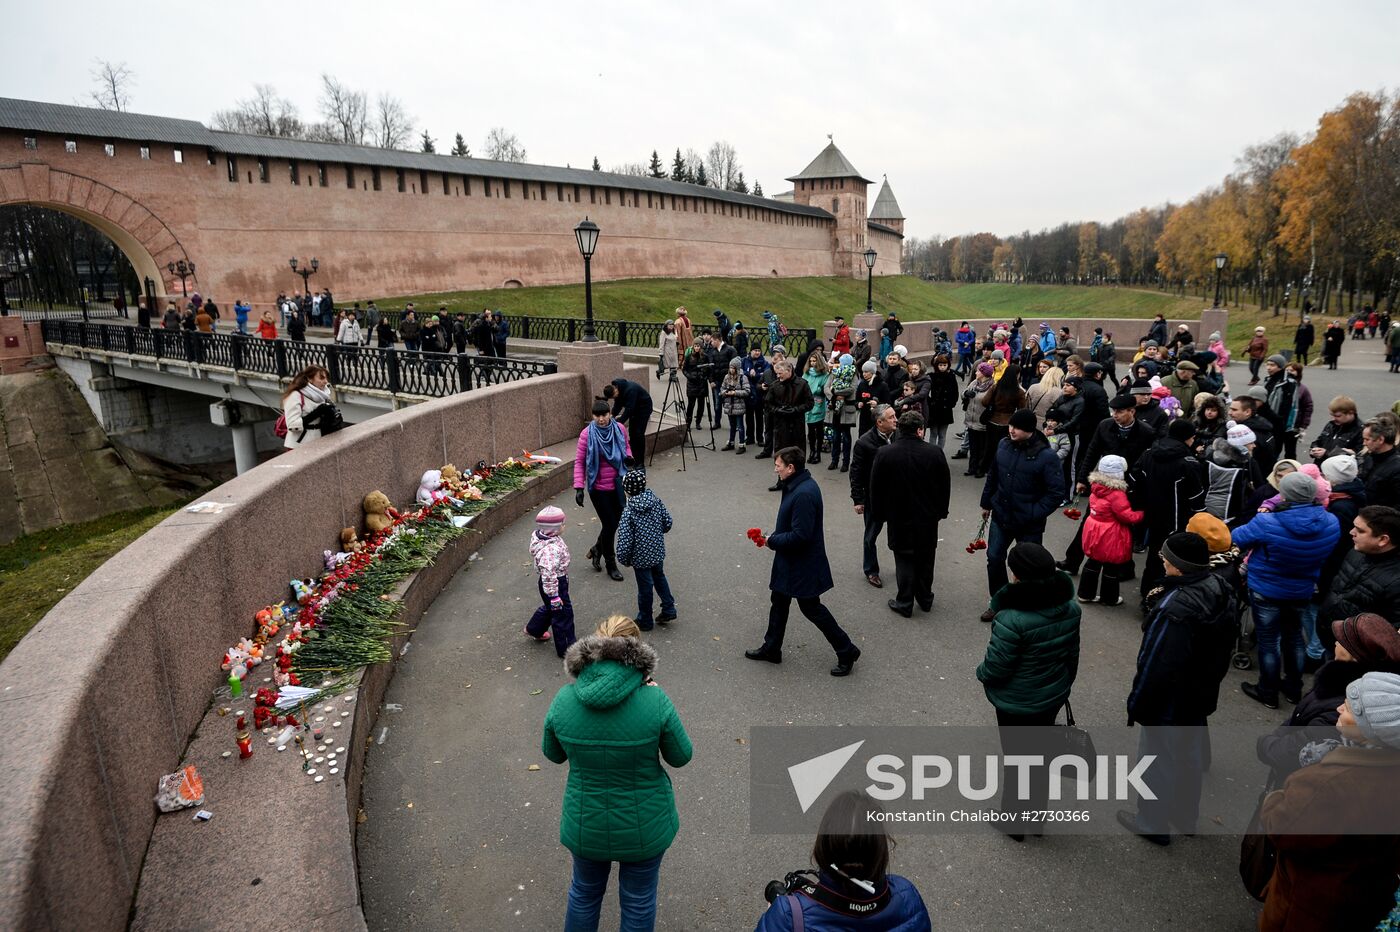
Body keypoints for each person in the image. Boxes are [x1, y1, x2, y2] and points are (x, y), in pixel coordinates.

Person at [542, 616, 692, 932]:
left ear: (592, 650)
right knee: (638, 900)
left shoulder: (564, 699)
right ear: (637, 652)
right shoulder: (655, 699)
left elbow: (552, 754)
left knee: (583, 893)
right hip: (646, 825)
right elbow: (680, 757)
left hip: (586, 823)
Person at [1118, 531, 1237, 847]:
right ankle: (1186, 817)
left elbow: (1157, 663)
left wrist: (1138, 704)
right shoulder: (1219, 587)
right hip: (1200, 693)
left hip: (1170, 700)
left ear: (1178, 565)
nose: (1162, 561)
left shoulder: (1177, 607)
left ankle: (1152, 822)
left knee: (1156, 761)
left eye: (1165, 558)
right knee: (1188, 758)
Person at [1257, 672, 1400, 931]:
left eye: (1348, 708)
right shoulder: (1390, 771)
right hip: (1360, 897)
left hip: (1310, 903)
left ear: (1369, 729)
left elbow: (1281, 826)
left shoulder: (1330, 782)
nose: (1338, 708)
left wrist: (1277, 796)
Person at [976, 542, 1080, 839]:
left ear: (1017, 575)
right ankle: (1034, 818)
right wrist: (1062, 684)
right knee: (1039, 757)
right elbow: (1072, 654)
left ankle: (1014, 822)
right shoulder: (1071, 608)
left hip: (1016, 701)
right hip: (1051, 695)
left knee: (1017, 760)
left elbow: (996, 667)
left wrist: (981, 674)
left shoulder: (1011, 618)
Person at [745, 447, 861, 676]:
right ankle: (772, 648)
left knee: (811, 608)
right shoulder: (797, 485)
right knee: (779, 600)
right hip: (792, 560)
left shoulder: (804, 494)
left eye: (778, 465)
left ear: (791, 467)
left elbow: (801, 535)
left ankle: (846, 649)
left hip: (802, 563)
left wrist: (771, 540)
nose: (775, 469)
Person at [1233, 473, 1341, 709]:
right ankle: (1293, 689)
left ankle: (1267, 691)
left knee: (1269, 641)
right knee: (1294, 638)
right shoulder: (1331, 522)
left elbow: (1236, 538)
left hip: (1266, 588)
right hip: (1301, 589)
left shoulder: (1268, 522)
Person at [753, 790, 932, 931]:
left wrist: (776, 916)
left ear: (822, 848)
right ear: (880, 852)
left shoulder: (789, 916)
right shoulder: (907, 897)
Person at [1256, 613, 1400, 782]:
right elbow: (1301, 715)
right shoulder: (1334, 678)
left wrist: (1267, 742)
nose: (1336, 641)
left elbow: (1290, 753)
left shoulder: (1347, 705)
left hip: (1294, 783)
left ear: (1354, 654)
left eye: (1343, 640)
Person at [979, 409, 1065, 619]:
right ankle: (999, 601)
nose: (1011, 430)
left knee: (1028, 567)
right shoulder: (1003, 445)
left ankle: (1025, 606)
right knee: (994, 557)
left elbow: (1055, 493)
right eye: (1010, 426)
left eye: (1016, 427)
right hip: (1001, 514)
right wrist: (986, 503)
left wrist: (1034, 512)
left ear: (1028, 430)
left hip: (1029, 523)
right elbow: (993, 475)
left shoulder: (1047, 456)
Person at [868, 412, 950, 617]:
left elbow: (875, 488)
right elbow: (944, 485)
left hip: (899, 517)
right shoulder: (934, 453)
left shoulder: (885, 453)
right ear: (920, 430)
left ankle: (904, 601)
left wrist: (879, 514)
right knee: (926, 558)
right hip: (927, 518)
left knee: (904, 559)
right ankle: (925, 598)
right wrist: (941, 511)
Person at [1133, 419, 1207, 596]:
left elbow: (1135, 479)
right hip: (1176, 521)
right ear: (1188, 438)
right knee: (1171, 561)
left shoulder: (1149, 453)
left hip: (1150, 516)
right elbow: (1196, 496)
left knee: (1154, 556)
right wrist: (1200, 518)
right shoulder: (1188, 462)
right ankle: (1161, 597)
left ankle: (1147, 593)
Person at [1317, 506, 1400, 647]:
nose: (1351, 532)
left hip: (1356, 656)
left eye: (1360, 530)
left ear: (1383, 540)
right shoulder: (1357, 551)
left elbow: (1391, 635)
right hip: (1332, 639)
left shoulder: (1396, 581)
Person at [573, 400, 632, 582]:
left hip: (618, 484)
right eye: (597, 415)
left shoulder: (620, 429)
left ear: (610, 414)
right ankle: (611, 564)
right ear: (593, 416)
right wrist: (579, 487)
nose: (601, 419)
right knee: (609, 524)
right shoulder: (586, 435)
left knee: (615, 523)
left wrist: (629, 457)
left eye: (604, 415)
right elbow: (580, 461)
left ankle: (597, 549)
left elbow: (626, 446)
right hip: (598, 488)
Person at [615, 470, 677, 631]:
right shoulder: (655, 501)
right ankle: (669, 608)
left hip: (640, 557)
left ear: (627, 490)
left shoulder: (629, 512)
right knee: (659, 577)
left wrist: (624, 558)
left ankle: (645, 619)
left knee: (645, 588)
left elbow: (625, 540)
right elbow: (668, 522)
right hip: (657, 551)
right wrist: (656, 532)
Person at [1077, 455, 1142, 606]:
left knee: (1093, 562)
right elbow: (1127, 516)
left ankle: (1085, 594)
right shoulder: (1117, 494)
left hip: (1094, 528)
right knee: (1111, 566)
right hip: (1110, 533)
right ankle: (1110, 597)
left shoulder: (1096, 488)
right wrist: (1141, 514)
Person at [851, 404, 896, 590]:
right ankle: (871, 570)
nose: (896, 420)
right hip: (874, 499)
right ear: (880, 422)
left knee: (899, 536)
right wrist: (858, 499)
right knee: (870, 537)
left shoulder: (900, 436)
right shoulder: (864, 442)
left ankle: (902, 567)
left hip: (896, 497)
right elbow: (856, 472)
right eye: (891, 417)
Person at [523, 506, 576, 654]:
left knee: (551, 608)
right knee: (563, 615)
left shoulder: (546, 537)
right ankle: (567, 648)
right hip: (555, 584)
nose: (564, 526)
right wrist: (554, 595)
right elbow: (548, 573)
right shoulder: (550, 550)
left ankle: (535, 628)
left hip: (552, 583)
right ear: (555, 528)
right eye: (563, 524)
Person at [765, 361, 814, 485]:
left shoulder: (802, 384)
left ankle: (799, 481)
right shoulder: (775, 385)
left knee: (797, 454)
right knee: (781, 453)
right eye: (777, 374)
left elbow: (809, 403)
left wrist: (795, 410)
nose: (778, 376)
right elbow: (768, 404)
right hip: (781, 425)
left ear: (789, 371)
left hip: (797, 425)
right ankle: (781, 481)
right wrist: (778, 410)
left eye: (780, 373)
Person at [978, 363, 1027, 476]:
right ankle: (998, 471)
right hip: (1007, 422)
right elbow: (1022, 409)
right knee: (1004, 448)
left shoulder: (996, 386)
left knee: (989, 447)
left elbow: (985, 402)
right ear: (1017, 375)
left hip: (992, 420)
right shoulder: (1019, 392)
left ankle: (982, 469)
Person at [280, 365, 335, 450]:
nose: (325, 381)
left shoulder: (322, 395)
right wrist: (316, 413)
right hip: (299, 444)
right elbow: (291, 424)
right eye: (321, 378)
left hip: (319, 441)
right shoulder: (295, 395)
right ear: (309, 379)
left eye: (326, 378)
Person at [604, 378, 654, 465]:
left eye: (614, 396)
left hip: (643, 409)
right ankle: (633, 457)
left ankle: (640, 461)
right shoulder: (617, 390)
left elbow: (629, 409)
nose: (615, 398)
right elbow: (617, 405)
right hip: (634, 410)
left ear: (615, 390)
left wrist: (619, 423)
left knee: (638, 434)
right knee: (632, 433)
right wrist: (612, 416)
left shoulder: (631, 390)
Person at [824, 353, 858, 469]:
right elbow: (826, 387)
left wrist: (837, 393)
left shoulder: (853, 374)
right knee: (835, 437)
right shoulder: (835, 373)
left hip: (846, 409)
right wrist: (834, 396)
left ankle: (845, 462)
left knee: (846, 437)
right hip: (835, 409)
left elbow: (852, 389)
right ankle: (834, 460)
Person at [960, 363, 995, 477]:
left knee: (982, 448)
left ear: (984, 373)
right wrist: (965, 393)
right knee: (973, 447)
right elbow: (963, 394)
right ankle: (972, 468)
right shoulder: (974, 383)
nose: (975, 372)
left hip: (983, 421)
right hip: (971, 420)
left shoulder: (992, 386)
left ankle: (981, 469)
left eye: (978, 371)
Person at [1361, 416, 1400, 509]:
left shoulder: (1397, 468)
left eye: (1367, 439)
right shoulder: (1369, 458)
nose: (1364, 443)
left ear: (1380, 440)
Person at [802, 352, 830, 465]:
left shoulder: (824, 375)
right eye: (811, 361)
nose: (813, 363)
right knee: (810, 430)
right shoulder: (807, 373)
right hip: (808, 404)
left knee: (819, 430)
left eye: (814, 361)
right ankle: (812, 451)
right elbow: (803, 386)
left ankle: (818, 453)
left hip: (819, 404)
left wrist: (816, 390)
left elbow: (824, 389)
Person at [925, 355, 959, 448]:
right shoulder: (932, 376)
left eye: (945, 365)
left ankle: (939, 454)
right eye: (940, 365)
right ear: (937, 365)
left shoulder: (951, 377)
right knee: (933, 433)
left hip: (946, 409)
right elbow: (925, 391)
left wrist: (951, 404)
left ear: (948, 365)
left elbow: (955, 392)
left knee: (942, 434)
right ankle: (933, 454)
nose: (942, 367)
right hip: (934, 408)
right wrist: (930, 402)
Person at [719, 358, 751, 454]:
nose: (731, 369)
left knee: (740, 426)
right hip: (729, 405)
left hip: (739, 405)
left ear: (737, 368)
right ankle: (731, 442)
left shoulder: (743, 378)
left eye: (733, 368)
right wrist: (725, 392)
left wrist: (735, 393)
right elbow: (722, 388)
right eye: (730, 367)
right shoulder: (726, 377)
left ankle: (742, 444)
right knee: (732, 425)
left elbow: (747, 391)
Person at [742, 347, 769, 450]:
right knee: (748, 416)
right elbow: (741, 372)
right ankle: (750, 437)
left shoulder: (764, 362)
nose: (757, 352)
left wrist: (756, 374)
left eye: (759, 350)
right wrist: (748, 373)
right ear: (751, 351)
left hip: (759, 394)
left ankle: (760, 438)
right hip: (748, 393)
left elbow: (765, 374)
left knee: (759, 417)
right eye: (755, 350)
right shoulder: (745, 360)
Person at [854, 359, 889, 437]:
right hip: (864, 417)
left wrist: (877, 404)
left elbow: (888, 403)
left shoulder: (882, 385)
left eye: (866, 372)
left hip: (877, 418)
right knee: (862, 438)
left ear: (873, 372)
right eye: (863, 372)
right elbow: (856, 400)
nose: (864, 374)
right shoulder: (862, 384)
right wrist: (858, 404)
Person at [683, 338, 710, 431]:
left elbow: (709, 369)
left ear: (701, 346)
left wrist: (705, 377)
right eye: (695, 346)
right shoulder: (689, 356)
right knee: (691, 405)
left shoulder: (705, 357)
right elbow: (684, 369)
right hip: (692, 384)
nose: (697, 348)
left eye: (698, 346)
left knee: (701, 405)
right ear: (693, 347)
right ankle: (688, 423)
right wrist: (690, 377)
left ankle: (698, 422)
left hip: (702, 384)